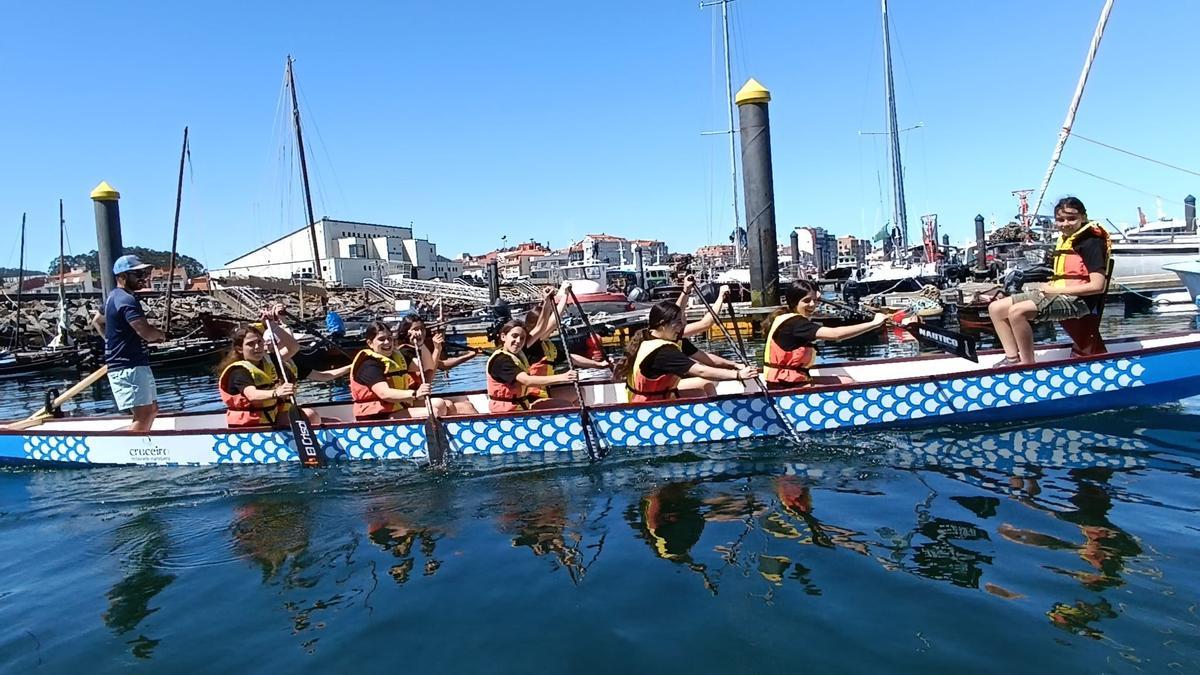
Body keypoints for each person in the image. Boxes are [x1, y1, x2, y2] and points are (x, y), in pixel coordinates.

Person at [988, 196, 1111, 365]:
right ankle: (1012, 358)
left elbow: (1098, 286)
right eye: (1060, 220)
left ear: (1083, 217)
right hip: (1057, 294)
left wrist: (1054, 290)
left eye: (1072, 218)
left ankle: (1027, 365)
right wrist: (1051, 289)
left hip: (1079, 302)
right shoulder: (1066, 240)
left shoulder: (1091, 243)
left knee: (1018, 312)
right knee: (996, 308)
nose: (1065, 223)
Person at [216, 310, 350, 428]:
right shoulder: (238, 371)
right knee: (310, 415)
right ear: (240, 349)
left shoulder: (272, 361)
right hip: (254, 424)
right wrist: (276, 392)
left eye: (259, 342)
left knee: (335, 421)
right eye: (251, 344)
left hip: (273, 416)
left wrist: (273, 325)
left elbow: (294, 347)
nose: (257, 347)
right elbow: (252, 394)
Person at [614, 301, 756, 403]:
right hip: (650, 408)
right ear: (663, 324)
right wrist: (737, 375)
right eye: (678, 323)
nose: (682, 327)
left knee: (699, 392)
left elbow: (705, 358)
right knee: (704, 387)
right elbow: (700, 371)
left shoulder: (647, 337)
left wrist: (733, 365)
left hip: (649, 399)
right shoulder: (663, 352)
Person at [762, 279, 888, 389]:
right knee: (848, 384)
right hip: (785, 385)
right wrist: (874, 323)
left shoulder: (788, 319)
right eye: (806, 301)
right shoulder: (796, 324)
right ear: (794, 303)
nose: (812, 305)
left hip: (789, 381)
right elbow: (835, 334)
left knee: (847, 381)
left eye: (815, 300)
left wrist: (814, 291)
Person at [104, 255, 166, 432]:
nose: (143, 277)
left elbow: (97, 321)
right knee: (144, 413)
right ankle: (128, 455)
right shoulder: (126, 300)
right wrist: (161, 335)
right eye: (137, 274)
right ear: (122, 277)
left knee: (152, 409)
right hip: (128, 367)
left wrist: (111, 343)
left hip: (134, 364)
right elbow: (146, 333)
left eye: (144, 273)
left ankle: (142, 448)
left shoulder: (112, 297)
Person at [520, 286, 611, 406]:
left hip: (544, 392)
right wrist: (565, 295)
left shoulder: (546, 345)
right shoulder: (529, 344)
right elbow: (553, 321)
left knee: (578, 392)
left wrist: (598, 364)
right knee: (566, 406)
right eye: (547, 327)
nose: (553, 330)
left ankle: (583, 421)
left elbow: (570, 357)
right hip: (531, 397)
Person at [350, 321, 452, 421]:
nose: (387, 342)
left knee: (440, 404)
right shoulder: (369, 365)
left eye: (389, 338)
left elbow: (428, 365)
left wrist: (421, 344)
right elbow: (384, 394)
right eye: (381, 339)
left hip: (396, 407)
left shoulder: (395, 357)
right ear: (370, 343)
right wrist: (415, 394)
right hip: (377, 416)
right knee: (434, 412)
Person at [486, 320, 578, 413]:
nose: (518, 341)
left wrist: (550, 305)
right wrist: (563, 377)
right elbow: (527, 381)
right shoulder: (501, 360)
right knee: (565, 407)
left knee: (564, 405)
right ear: (503, 337)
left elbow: (541, 327)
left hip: (522, 405)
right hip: (506, 411)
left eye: (522, 338)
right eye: (514, 336)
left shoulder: (519, 353)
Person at [395, 315, 478, 415]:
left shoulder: (420, 350)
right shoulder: (404, 352)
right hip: (411, 398)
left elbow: (439, 365)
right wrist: (437, 349)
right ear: (406, 332)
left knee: (464, 401)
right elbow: (430, 369)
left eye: (422, 329)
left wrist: (470, 355)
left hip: (421, 396)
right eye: (415, 329)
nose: (420, 332)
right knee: (449, 404)